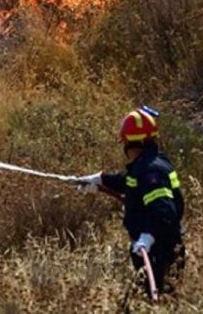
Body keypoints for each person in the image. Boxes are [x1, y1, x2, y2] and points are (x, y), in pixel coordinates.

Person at [73, 105, 185, 297]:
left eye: (126, 144)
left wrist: (148, 237)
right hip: (151, 249)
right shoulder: (149, 164)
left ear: (135, 144)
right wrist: (100, 180)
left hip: (160, 252)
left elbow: (164, 210)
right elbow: (131, 184)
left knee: (150, 302)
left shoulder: (151, 171)